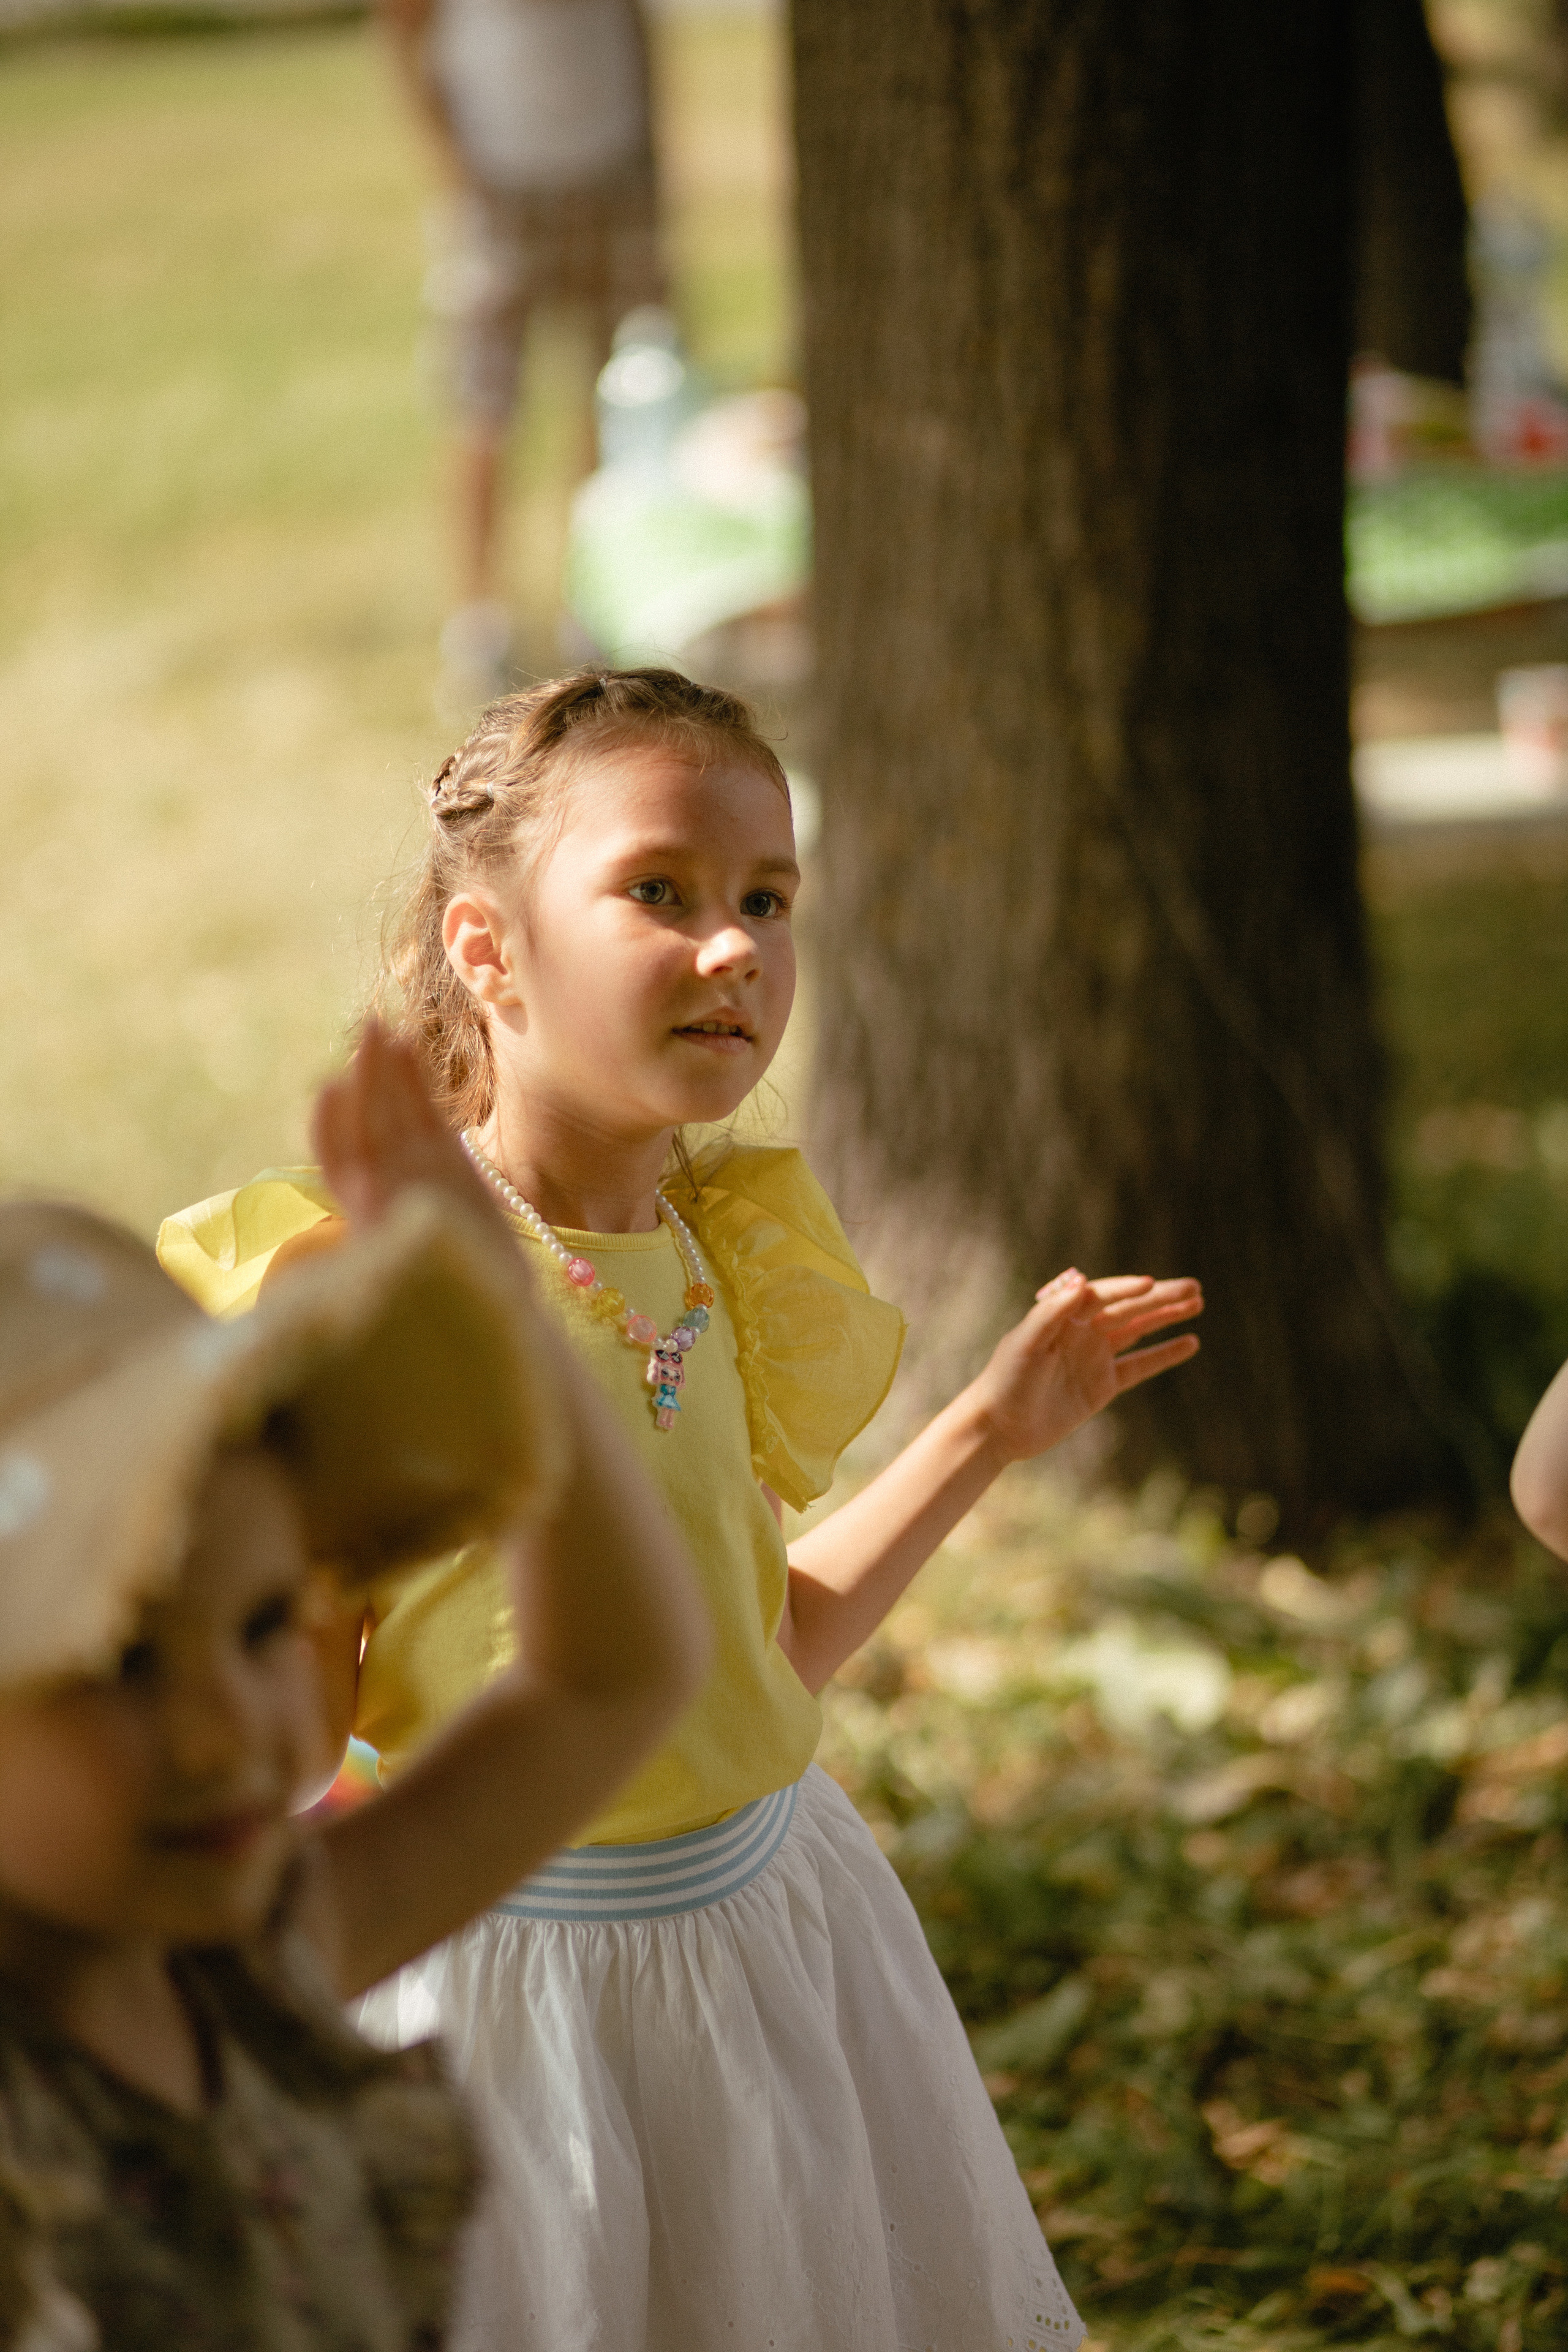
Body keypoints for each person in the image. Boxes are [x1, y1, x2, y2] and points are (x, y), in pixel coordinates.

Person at [160, 668, 1205, 2352]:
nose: (736, 950)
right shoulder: (383, 1287)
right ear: (487, 952)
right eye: (661, 892)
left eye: (767, 901)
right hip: (519, 2006)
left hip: (777, 1943)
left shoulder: (722, 1248)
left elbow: (765, 1646)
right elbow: (288, 1743)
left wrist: (992, 1430)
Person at [0, 1023, 706, 2350]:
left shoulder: (261, 1967)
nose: (229, 1737)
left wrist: (504, 1316)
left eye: (266, 1623)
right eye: (123, 1664)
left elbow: (611, 1679)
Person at [379, 0, 665, 703]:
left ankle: (591, 605)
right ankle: (479, 625)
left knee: (616, 398)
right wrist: (455, 169)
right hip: (500, 186)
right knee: (484, 406)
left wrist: (652, 154)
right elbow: (399, 35)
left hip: (611, 172)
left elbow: (634, 27)